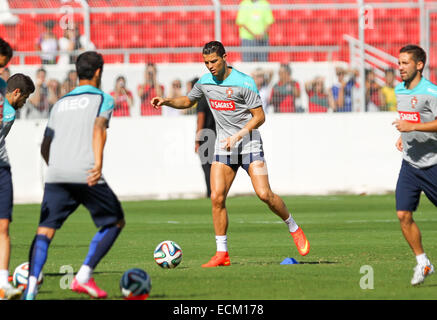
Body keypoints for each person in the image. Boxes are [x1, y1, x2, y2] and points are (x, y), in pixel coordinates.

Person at [151, 41, 310, 268]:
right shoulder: (205, 82)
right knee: (216, 197)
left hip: (249, 145)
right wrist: (167, 100)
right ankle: (222, 254)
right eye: (206, 63)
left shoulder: (244, 82)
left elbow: (260, 117)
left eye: (214, 61)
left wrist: (239, 135)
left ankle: (293, 226)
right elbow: (188, 100)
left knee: (264, 194)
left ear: (225, 57)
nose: (210, 66)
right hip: (224, 147)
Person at [22, 51, 126, 300]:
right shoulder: (103, 98)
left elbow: (45, 144)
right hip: (86, 172)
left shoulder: (60, 103)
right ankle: (83, 276)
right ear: (99, 72)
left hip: (56, 173)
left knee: (44, 231)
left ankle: (30, 289)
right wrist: (97, 164)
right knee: (115, 221)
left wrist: (55, 166)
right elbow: (99, 127)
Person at [392, 44, 437, 286]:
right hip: (410, 164)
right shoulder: (399, 89)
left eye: (405, 63)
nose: (400, 68)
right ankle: (423, 262)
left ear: (419, 65)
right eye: (399, 63)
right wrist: (404, 135)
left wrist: (412, 128)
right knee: (403, 214)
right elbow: (412, 119)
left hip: (434, 164)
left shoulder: (431, 92)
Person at [0, 76, 35, 300]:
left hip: (2, 168)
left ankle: (3, 284)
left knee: (4, 227)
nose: (26, 101)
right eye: (25, 97)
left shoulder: (10, 114)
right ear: (16, 93)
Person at [191, 77, 216, 198]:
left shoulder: (201, 101)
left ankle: (210, 192)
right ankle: (216, 190)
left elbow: (200, 121)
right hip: (216, 134)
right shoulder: (212, 99)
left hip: (206, 136)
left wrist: (197, 141)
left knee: (206, 166)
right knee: (214, 166)